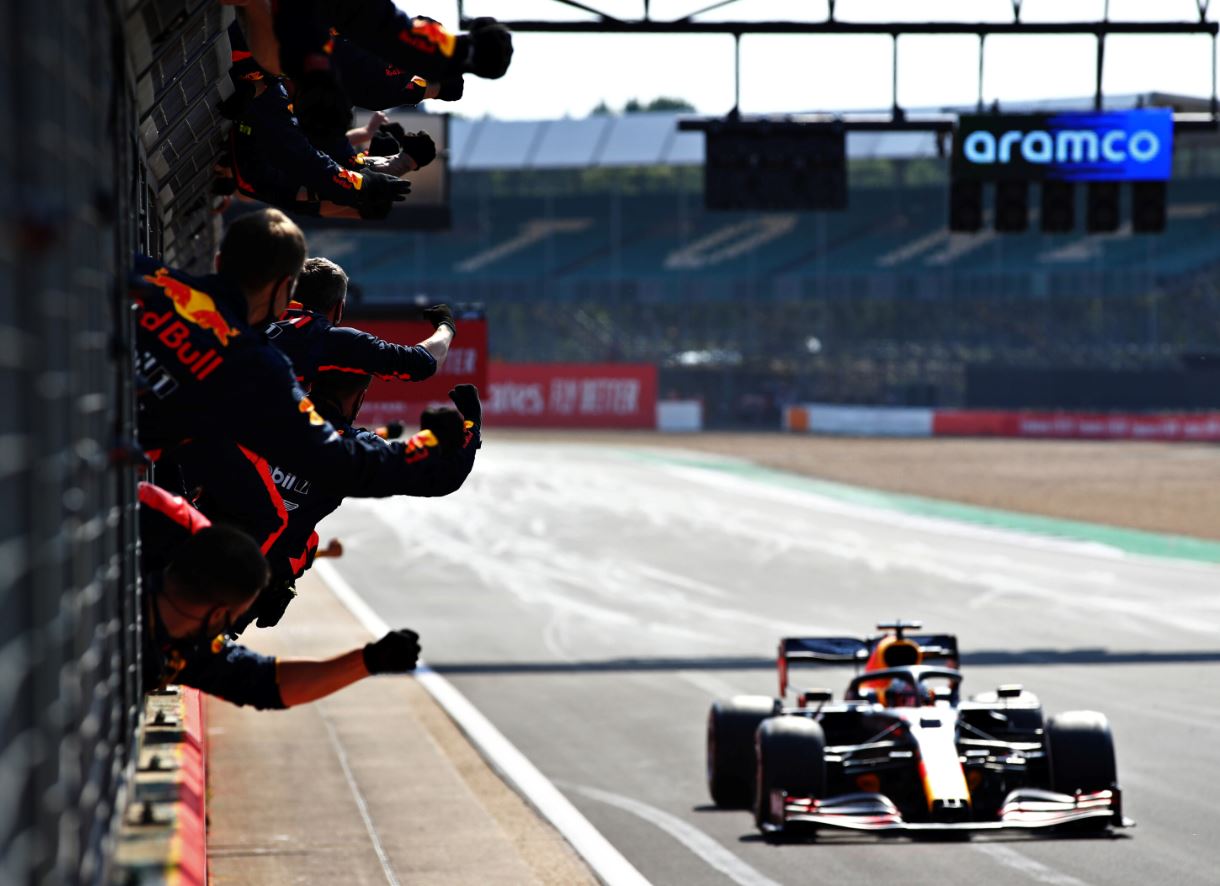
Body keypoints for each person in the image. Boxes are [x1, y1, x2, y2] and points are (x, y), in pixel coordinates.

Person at [132, 207, 480, 555]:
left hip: (101, 418)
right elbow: (338, 459)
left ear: (220, 261)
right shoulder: (262, 364)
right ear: (286, 287)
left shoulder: (145, 275)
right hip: (115, 471)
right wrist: (426, 441)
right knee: (265, 518)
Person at [140, 482, 421, 709]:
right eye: (233, 618)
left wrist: (368, 660)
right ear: (217, 614)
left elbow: (263, 682)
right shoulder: (187, 648)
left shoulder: (184, 641)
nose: (225, 631)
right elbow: (260, 683)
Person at [268, 256, 452, 388]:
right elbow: (422, 363)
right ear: (339, 308)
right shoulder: (327, 338)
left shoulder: (254, 322)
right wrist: (446, 325)